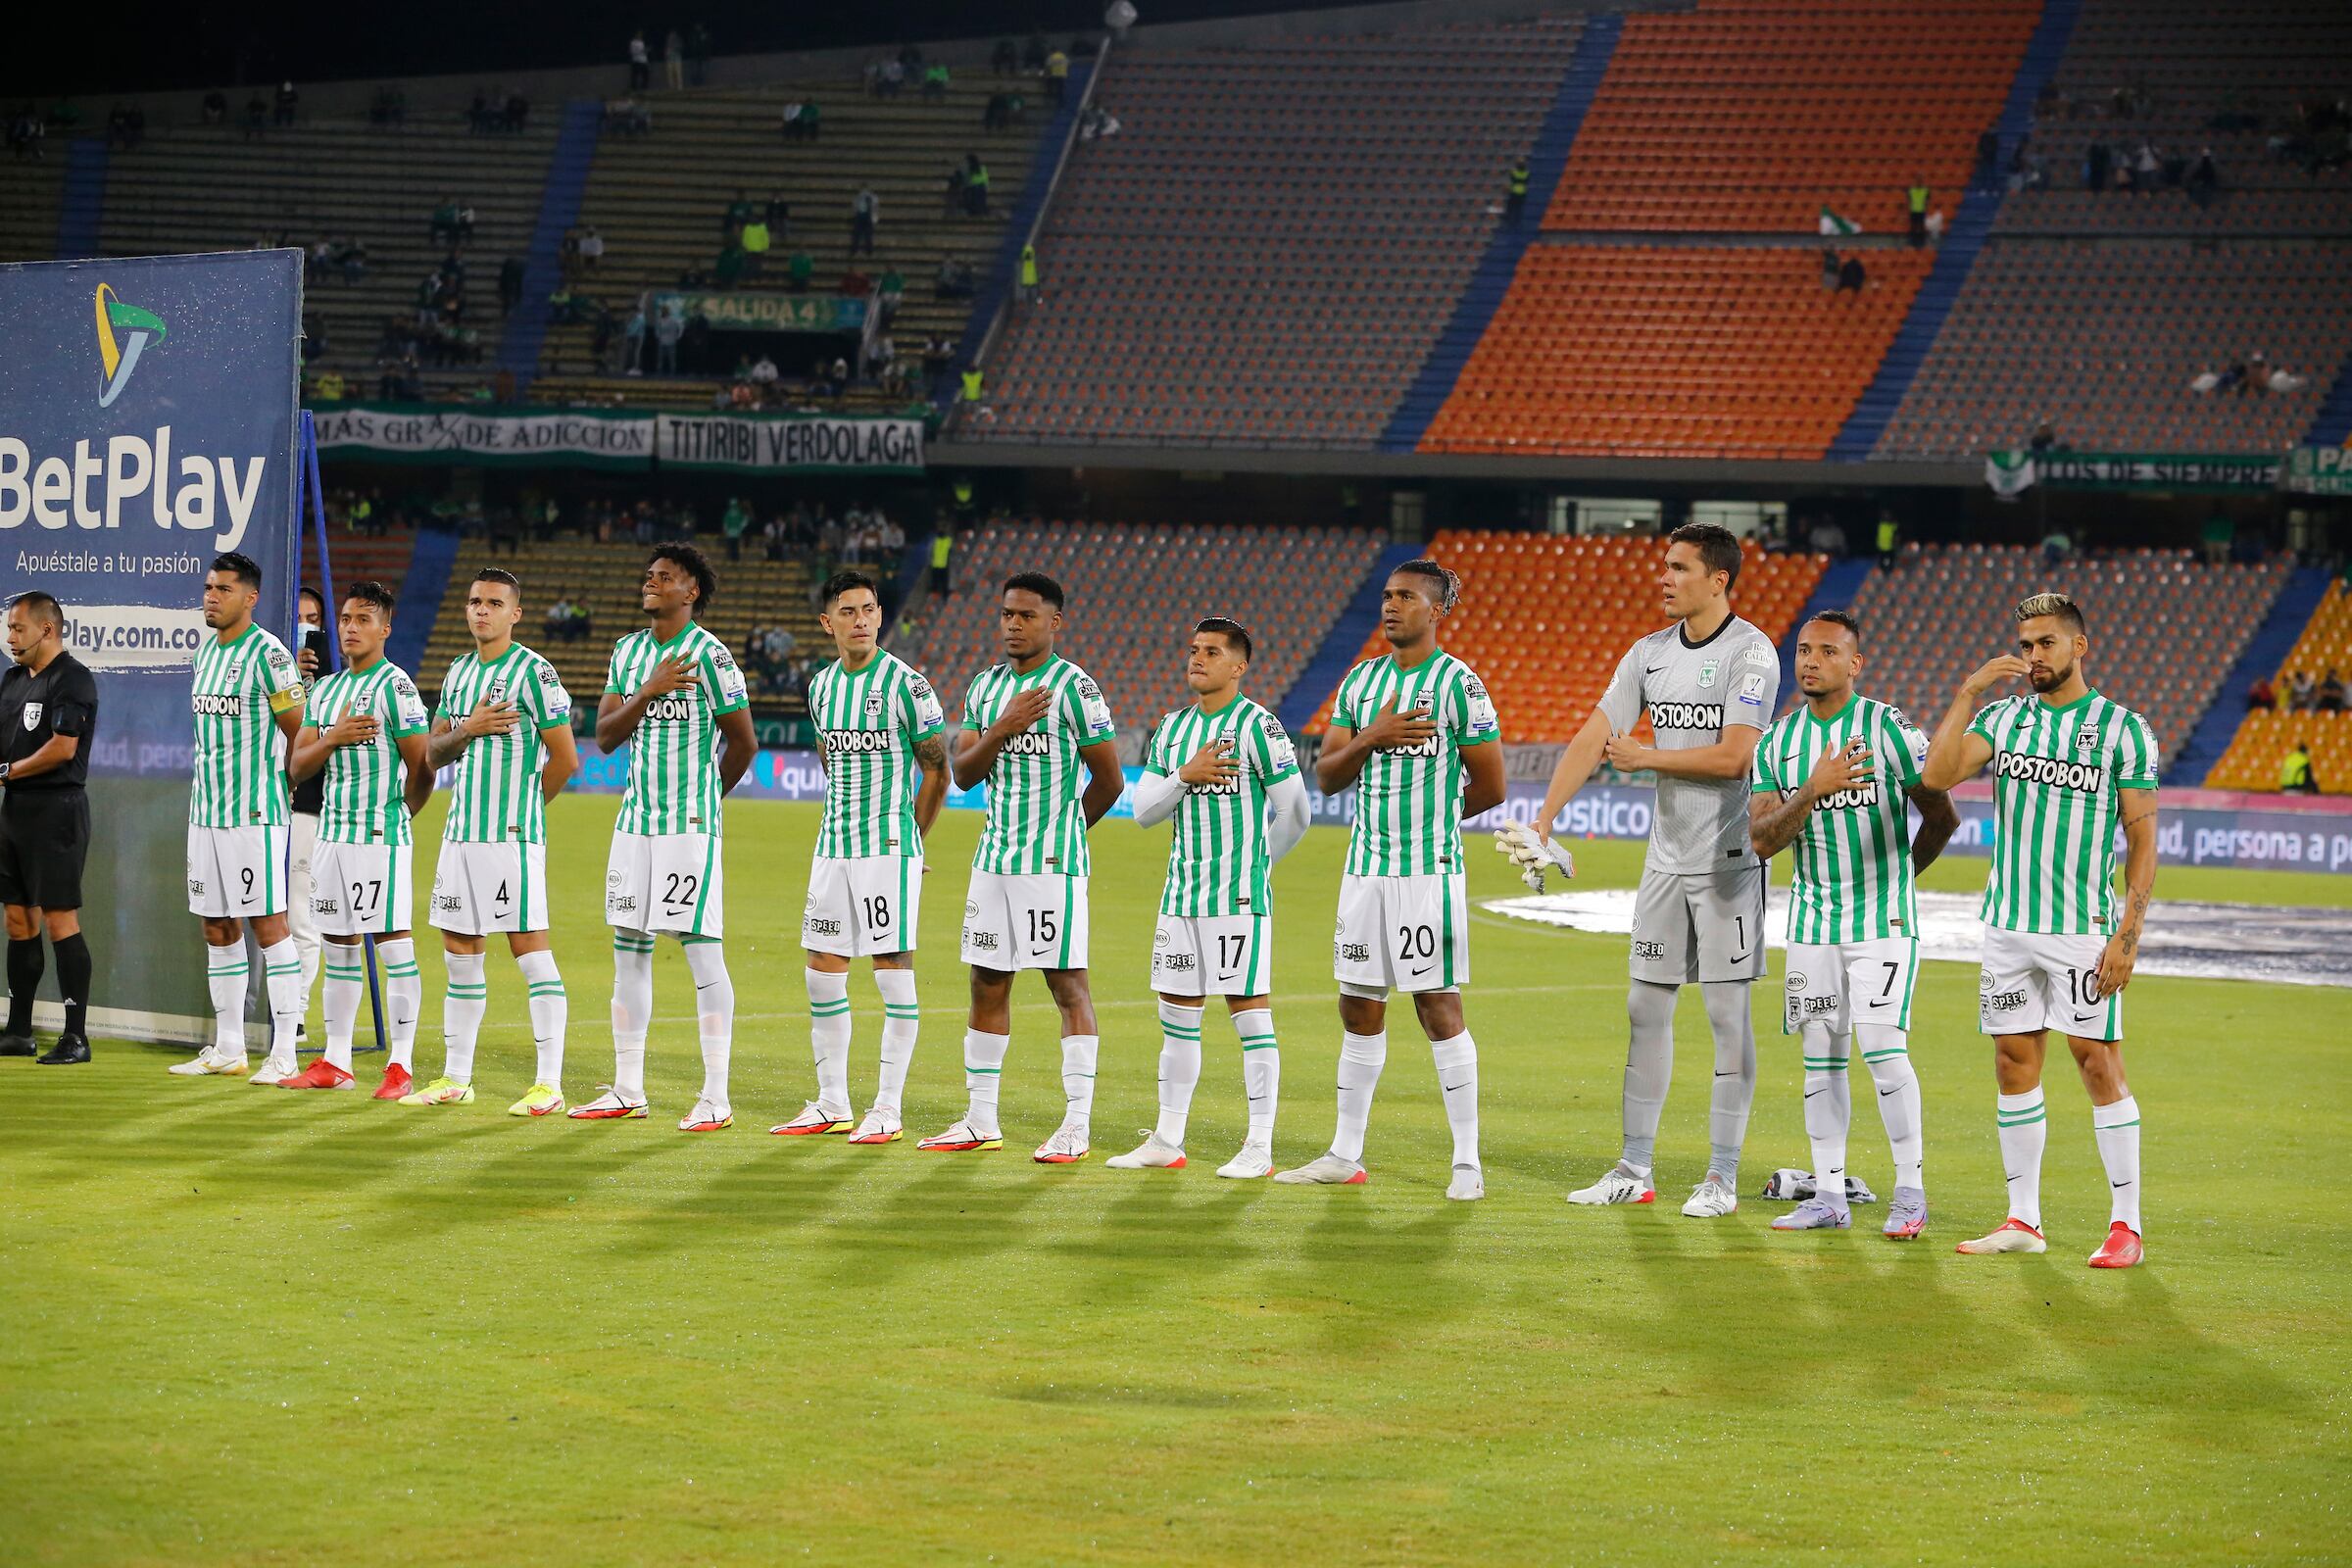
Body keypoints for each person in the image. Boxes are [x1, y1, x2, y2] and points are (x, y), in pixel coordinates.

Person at [1504, 524, 1780, 1217]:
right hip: (1665, 860)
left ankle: (1719, 1176)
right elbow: (1594, 736)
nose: (1664, 577)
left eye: (1679, 567)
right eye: (1664, 566)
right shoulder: (1649, 653)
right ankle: (1634, 1166)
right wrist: (1545, 821)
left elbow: (1735, 757)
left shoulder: (1752, 652)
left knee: (1725, 1013)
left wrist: (1647, 756)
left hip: (1728, 862)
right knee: (1644, 1008)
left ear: (1717, 579)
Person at [1921, 592, 2158, 1269]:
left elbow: (2143, 843)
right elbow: (1935, 775)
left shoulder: (2121, 729)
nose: (2032, 657)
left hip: (2082, 929)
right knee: (2012, 1064)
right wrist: (1968, 693)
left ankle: (2126, 1227)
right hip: (2007, 928)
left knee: (2096, 1060)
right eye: (2025, 645)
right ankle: (2023, 1217)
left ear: (2079, 647)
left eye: (2046, 643)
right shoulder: (2003, 718)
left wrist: (2127, 936)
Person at [1278, 562, 1503, 1200]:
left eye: (1405, 597)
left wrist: (1433, 820)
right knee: (1358, 1005)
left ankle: (1467, 1162)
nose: (1390, 606)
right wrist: (1375, 734)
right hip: (1364, 874)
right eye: (1385, 595)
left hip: (1426, 875)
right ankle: (1345, 1153)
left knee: (1437, 1005)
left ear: (1435, 611)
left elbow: (1491, 785)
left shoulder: (1459, 685)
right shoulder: (1362, 682)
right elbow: (1327, 776)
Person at [1747, 612, 1958, 1237]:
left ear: (1854, 663)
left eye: (1827, 651)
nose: (1810, 661)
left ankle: (1911, 1194)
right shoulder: (1776, 744)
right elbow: (1760, 840)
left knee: (1884, 1051)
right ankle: (1830, 1196)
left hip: (1881, 924)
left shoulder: (1889, 731)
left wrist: (1898, 883)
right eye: (1804, 650)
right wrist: (1810, 791)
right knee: (1821, 1060)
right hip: (1811, 925)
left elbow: (1941, 815)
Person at [917, 573, 1124, 1160]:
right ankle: (980, 1118)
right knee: (986, 980)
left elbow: (1108, 781)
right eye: (1007, 614)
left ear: (1053, 623)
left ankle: (1076, 1124)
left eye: (1027, 616)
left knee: (1066, 985)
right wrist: (1005, 726)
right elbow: (964, 772)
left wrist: (1065, 836)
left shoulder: (1076, 690)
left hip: (1051, 865)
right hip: (993, 860)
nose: (1013, 624)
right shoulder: (986, 689)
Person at [1111, 618, 1312, 1178]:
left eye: (1212, 652)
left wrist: (1256, 863)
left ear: (1238, 665)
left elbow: (1295, 812)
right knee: (1176, 1016)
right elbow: (1146, 811)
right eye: (1194, 649)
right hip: (1179, 898)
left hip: (1236, 899)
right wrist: (1185, 774)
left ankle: (1260, 1145)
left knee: (1248, 1014)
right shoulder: (1172, 728)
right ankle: (1167, 1139)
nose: (1198, 659)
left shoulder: (1258, 727)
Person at [572, 547, 757, 1132]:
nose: (651, 583)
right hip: (634, 826)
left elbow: (744, 743)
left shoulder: (712, 656)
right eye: (649, 576)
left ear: (691, 591)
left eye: (665, 577)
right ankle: (628, 1087)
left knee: (702, 953)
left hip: (688, 830)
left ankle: (717, 1096)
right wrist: (648, 690)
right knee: (629, 952)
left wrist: (704, 802)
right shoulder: (627, 652)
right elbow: (602, 736)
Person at [770, 572, 951, 1143]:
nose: (861, 620)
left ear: (879, 616)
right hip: (833, 846)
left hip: (887, 848)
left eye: (869, 609)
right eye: (847, 612)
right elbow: (830, 757)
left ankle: (888, 1109)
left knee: (891, 972)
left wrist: (911, 838)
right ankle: (831, 1102)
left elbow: (936, 769)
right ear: (829, 623)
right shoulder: (821, 687)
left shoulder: (907, 686)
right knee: (822, 972)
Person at [412, 568, 580, 1114]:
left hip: (510, 838)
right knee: (460, 952)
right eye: (473, 602)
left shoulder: (535, 672)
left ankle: (549, 1086)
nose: (481, 611)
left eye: (493, 603)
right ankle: (456, 1078)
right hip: (459, 835)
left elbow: (566, 758)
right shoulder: (459, 672)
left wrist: (524, 814)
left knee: (529, 953)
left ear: (516, 613)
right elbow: (433, 754)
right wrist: (468, 729)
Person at [274, 582, 433, 1096]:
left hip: (377, 837)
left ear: (385, 629)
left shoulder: (396, 687)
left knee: (391, 943)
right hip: (331, 835)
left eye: (363, 619)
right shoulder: (325, 691)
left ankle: (401, 1066)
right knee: (339, 945)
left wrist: (402, 816)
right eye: (344, 618)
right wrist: (332, 737)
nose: (349, 627)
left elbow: (423, 765)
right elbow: (296, 766)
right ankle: (336, 1061)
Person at [172, 554, 310, 1082]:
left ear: (250, 598)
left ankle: (284, 1053)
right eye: (208, 587)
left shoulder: (270, 656)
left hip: (255, 813)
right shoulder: (203, 654)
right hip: (204, 811)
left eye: (223, 589)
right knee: (216, 924)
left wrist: (284, 791)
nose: (211, 596)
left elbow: (301, 733)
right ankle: (228, 1046)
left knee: (268, 927)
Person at [0, 593, 99, 1065]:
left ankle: (75, 1037)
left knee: (61, 921)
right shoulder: (13, 680)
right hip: (15, 812)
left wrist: (7, 773)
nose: (10, 637)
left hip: (58, 810)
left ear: (47, 629)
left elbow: (62, 749)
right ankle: (19, 1031)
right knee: (18, 920)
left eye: (18, 628)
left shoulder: (73, 679)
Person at [284, 589, 330, 1037]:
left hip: (306, 809)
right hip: (258, 806)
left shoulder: (333, 681)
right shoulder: (260, 669)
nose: (304, 626)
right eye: (295, 617)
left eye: (312, 619)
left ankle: (294, 1014)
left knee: (302, 916)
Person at [851, 186, 878, 256]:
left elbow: (854, 207)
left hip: (861, 215)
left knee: (858, 234)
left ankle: (855, 250)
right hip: (867, 216)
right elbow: (875, 208)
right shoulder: (872, 197)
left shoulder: (858, 197)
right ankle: (869, 250)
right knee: (867, 235)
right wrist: (874, 218)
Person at [1504, 155, 1530, 224]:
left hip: (1514, 191)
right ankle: (1517, 221)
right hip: (1522, 192)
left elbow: (1512, 179)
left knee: (1510, 206)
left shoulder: (1514, 173)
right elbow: (1527, 181)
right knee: (1519, 208)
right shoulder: (1527, 173)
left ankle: (1508, 219)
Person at [930, 525, 955, 597]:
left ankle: (934, 592)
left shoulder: (935, 540)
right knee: (944, 581)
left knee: (935, 581)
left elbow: (931, 551)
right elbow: (950, 550)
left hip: (936, 564)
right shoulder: (948, 540)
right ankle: (944, 594)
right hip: (944, 564)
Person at [1905, 182, 1930, 246]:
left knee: (1921, 227)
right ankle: (1913, 241)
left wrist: (1926, 208)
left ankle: (1922, 241)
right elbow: (1908, 200)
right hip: (1913, 211)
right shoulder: (1911, 190)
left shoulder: (1925, 190)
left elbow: (1927, 200)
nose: (1919, 182)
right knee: (1913, 227)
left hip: (1922, 211)